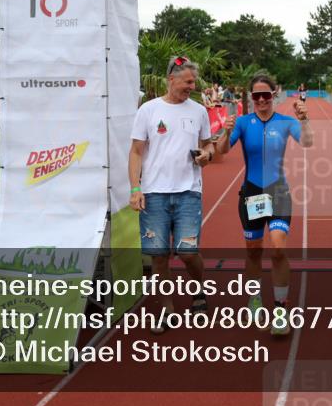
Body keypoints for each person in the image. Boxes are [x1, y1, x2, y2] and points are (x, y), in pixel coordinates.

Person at [215, 73, 313, 335]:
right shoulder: (244, 123)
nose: (260, 100)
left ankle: (281, 308)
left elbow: (307, 142)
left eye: (265, 95)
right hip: (252, 194)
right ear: (251, 98)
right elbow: (223, 150)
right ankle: (254, 298)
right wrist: (225, 131)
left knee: (279, 248)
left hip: (278, 191)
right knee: (253, 250)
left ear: (274, 95)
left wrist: (305, 121)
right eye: (256, 95)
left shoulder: (286, 122)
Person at [129, 56, 215, 332]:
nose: (192, 86)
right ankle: (166, 309)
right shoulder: (148, 110)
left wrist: (206, 155)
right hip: (154, 194)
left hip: (189, 191)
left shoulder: (199, 111)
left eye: (193, 81)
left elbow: (208, 146)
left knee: (188, 253)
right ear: (171, 79)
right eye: (188, 81)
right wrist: (135, 188)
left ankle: (199, 289)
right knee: (159, 256)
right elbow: (136, 151)